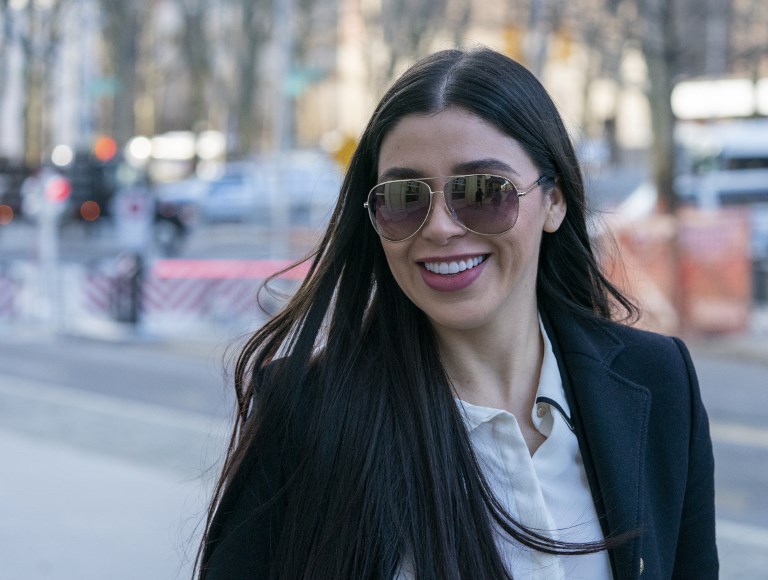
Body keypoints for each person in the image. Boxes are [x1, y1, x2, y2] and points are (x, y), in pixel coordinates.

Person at [196, 47, 717, 579]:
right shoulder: (306, 415)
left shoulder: (658, 382)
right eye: (404, 197)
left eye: (483, 192)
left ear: (554, 202)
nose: (440, 227)